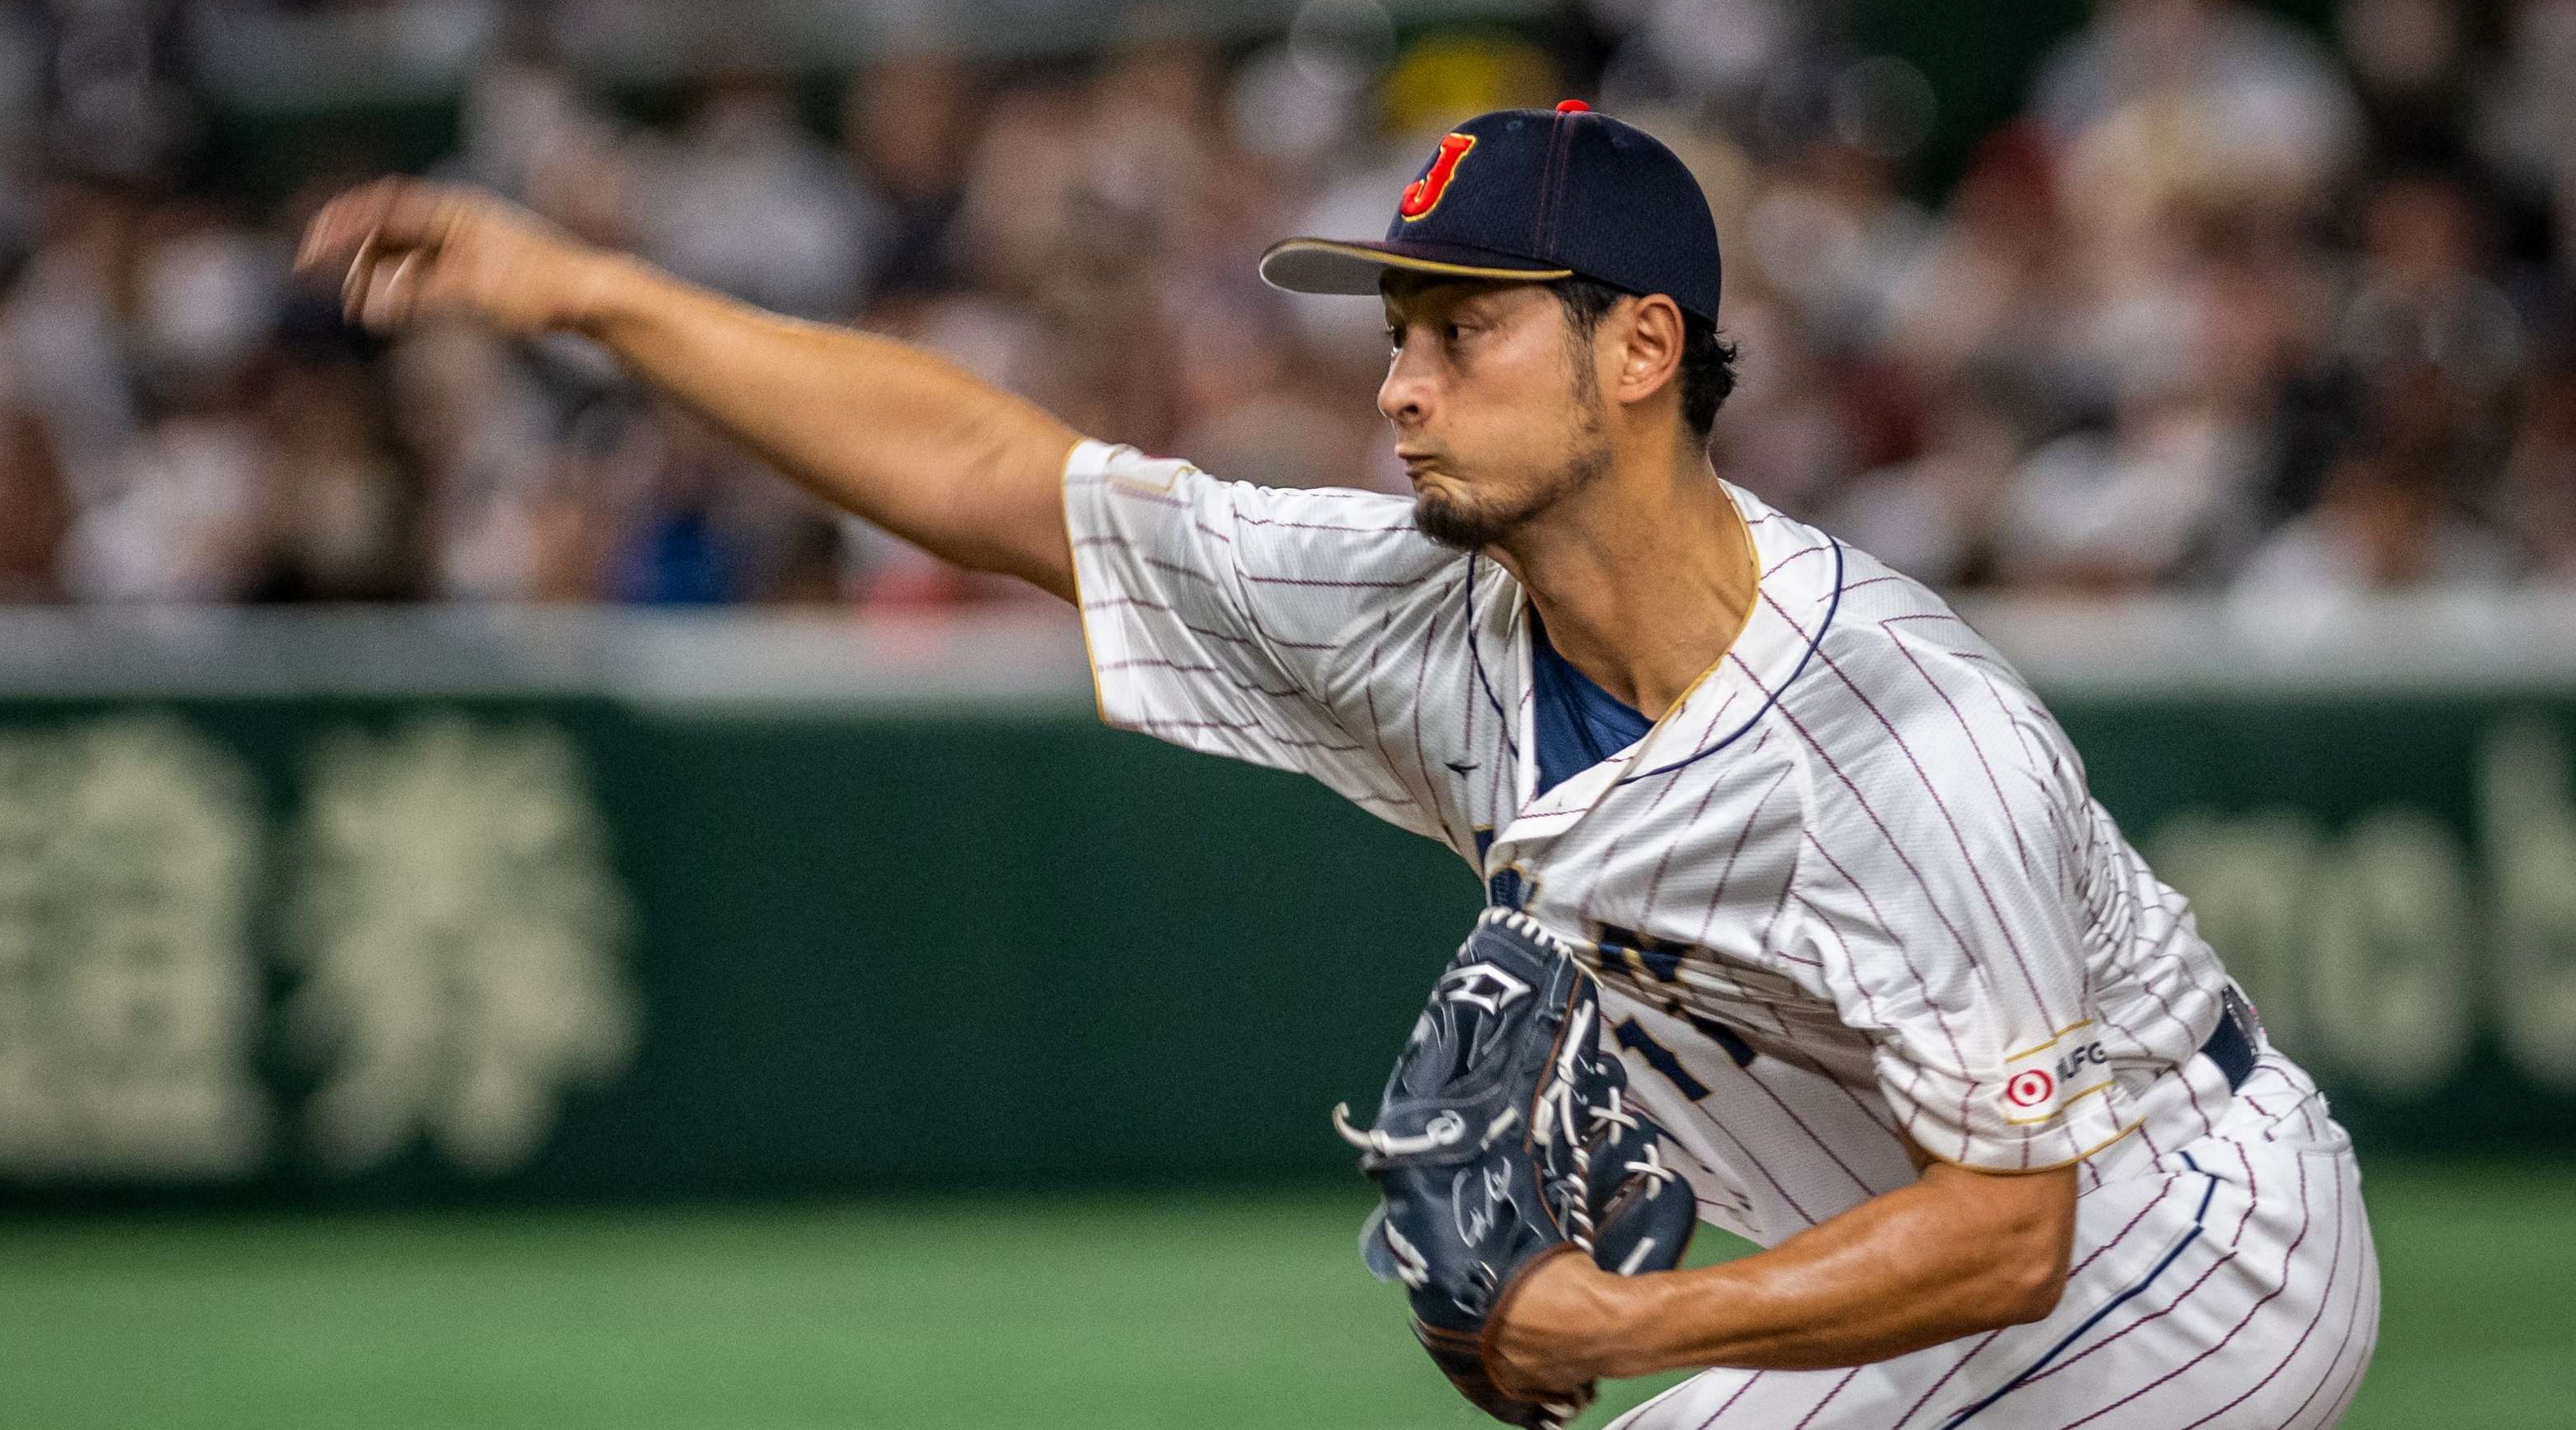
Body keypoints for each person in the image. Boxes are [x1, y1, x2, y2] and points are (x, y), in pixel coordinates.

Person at [297, 102, 2375, 1427]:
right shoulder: (1410, 596)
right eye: (1394, 327)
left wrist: (1597, 1327)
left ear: (1636, 351)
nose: (1394, 384)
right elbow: (1002, 480)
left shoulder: (1903, 735)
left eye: (1459, 330)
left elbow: (2006, 1236)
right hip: (1936, 1246)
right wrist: (581, 288)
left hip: (2171, 1239)